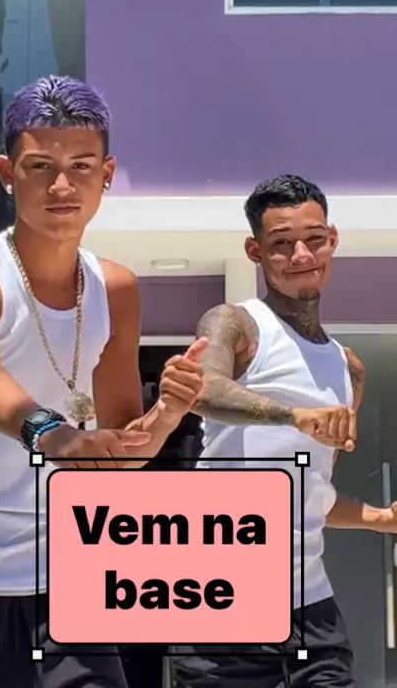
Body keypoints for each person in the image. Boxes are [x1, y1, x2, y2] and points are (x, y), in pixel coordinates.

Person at [0, 75, 206, 688]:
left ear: (107, 174)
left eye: (81, 166)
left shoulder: (116, 289)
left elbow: (116, 455)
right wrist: (53, 435)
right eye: (41, 166)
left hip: (66, 576)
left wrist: (166, 417)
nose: (62, 185)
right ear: (7, 172)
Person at [170, 174, 397, 688]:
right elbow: (204, 390)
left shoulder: (348, 368)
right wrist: (293, 415)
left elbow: (313, 498)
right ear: (255, 251)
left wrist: (380, 519)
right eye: (281, 243)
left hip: (312, 612)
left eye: (314, 239)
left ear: (332, 239)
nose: (301, 255)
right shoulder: (235, 324)